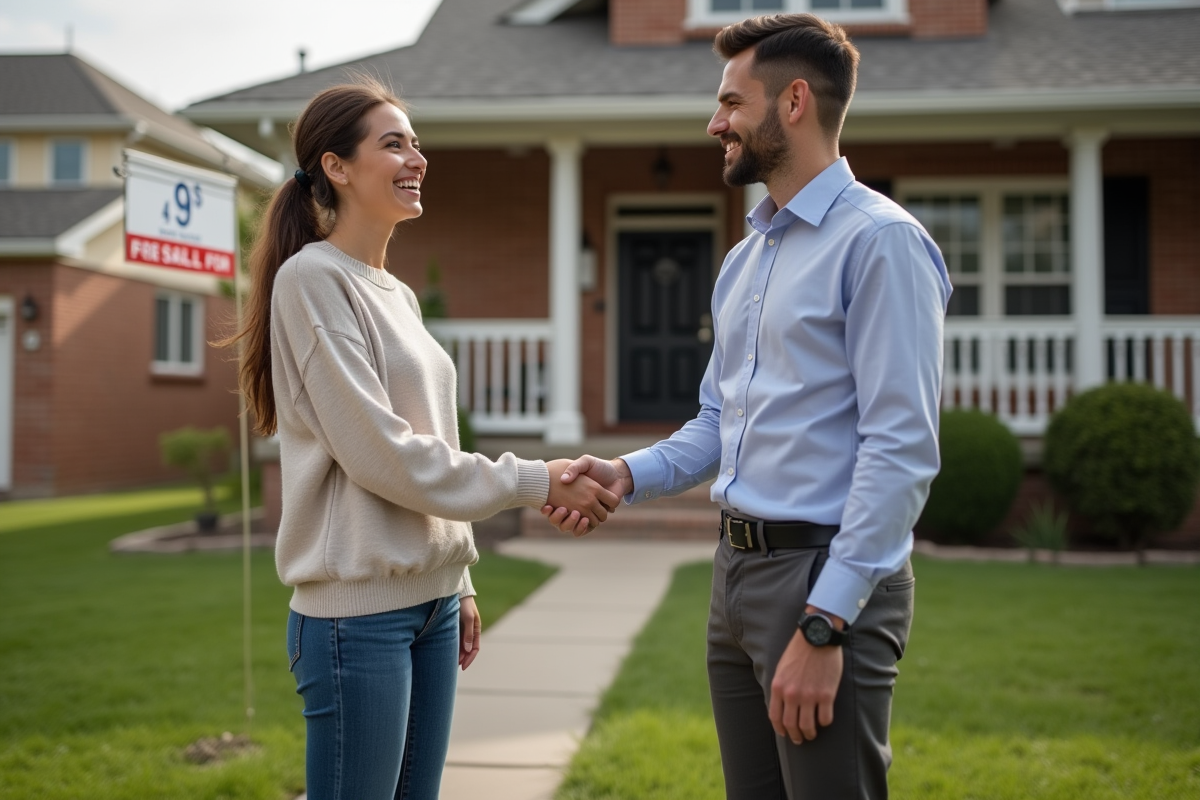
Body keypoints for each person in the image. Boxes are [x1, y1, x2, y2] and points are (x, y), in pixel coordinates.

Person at [543, 14, 951, 800]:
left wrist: (826, 622)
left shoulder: (880, 243)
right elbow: (718, 422)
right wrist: (626, 473)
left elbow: (899, 448)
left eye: (732, 102)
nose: (714, 123)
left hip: (823, 576)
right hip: (734, 577)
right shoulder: (744, 259)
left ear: (793, 101)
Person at [222, 78, 617, 800]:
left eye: (418, 142)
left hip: (431, 607)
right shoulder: (311, 281)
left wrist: (456, 578)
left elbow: (428, 439)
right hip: (355, 618)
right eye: (394, 143)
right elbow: (381, 452)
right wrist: (536, 480)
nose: (418, 158)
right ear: (336, 167)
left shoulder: (396, 293)